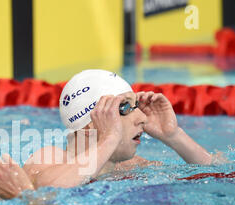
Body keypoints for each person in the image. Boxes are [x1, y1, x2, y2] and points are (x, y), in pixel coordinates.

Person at [24, 69, 218, 188]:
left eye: (137, 106)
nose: (142, 117)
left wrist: (174, 136)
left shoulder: (132, 165)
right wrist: (109, 138)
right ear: (92, 123)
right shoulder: (50, 157)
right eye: (125, 107)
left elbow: (219, 172)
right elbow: (50, 190)